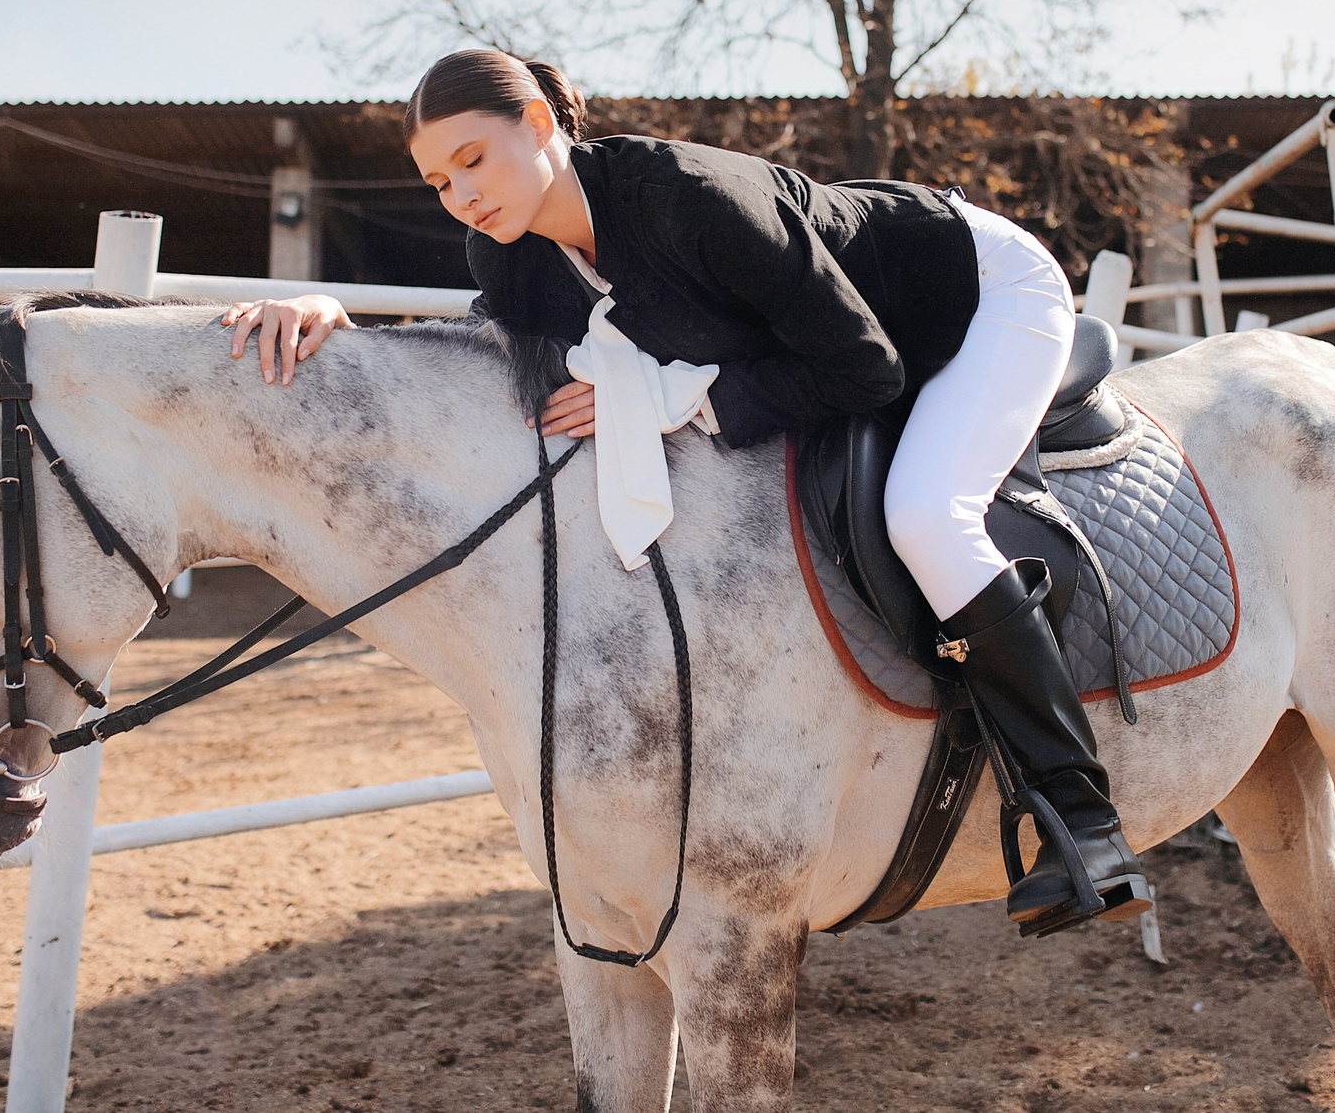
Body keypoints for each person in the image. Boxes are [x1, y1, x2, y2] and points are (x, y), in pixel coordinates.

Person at [222, 48, 1147, 935]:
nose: (462, 194)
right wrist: (333, 324)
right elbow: (473, 349)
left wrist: (681, 397)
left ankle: (1083, 823)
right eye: (438, 183)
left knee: (925, 514)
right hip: (853, 335)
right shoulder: (508, 256)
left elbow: (865, 368)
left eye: (473, 160)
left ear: (540, 125)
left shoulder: (692, 201)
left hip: (975, 294)